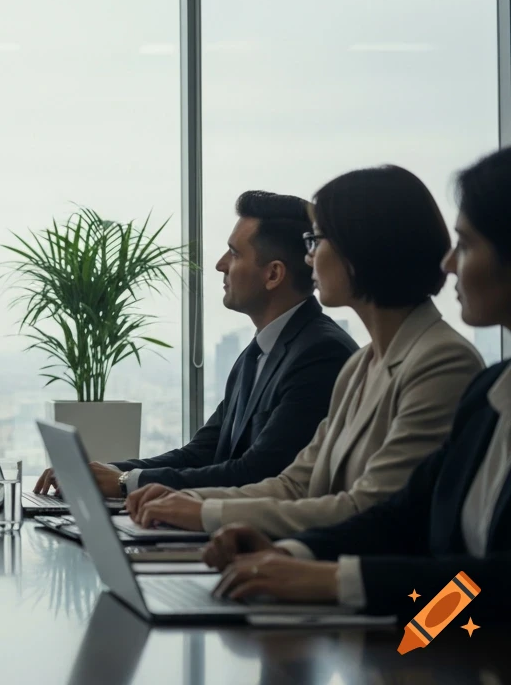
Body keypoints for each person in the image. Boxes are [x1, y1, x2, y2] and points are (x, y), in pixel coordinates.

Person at [203, 147, 511, 620]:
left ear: (361, 249)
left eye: (466, 245)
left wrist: (333, 581)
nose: (449, 263)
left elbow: (486, 580)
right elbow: (406, 521)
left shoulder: (446, 363)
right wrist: (293, 556)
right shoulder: (490, 390)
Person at [129, 166, 483, 538]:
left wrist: (203, 513)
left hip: (409, 593)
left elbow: (368, 508)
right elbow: (295, 485)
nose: (309, 258)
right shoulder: (361, 365)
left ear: (360, 250)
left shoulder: (441, 361)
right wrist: (188, 502)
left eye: (317, 242)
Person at [35, 191, 356, 497]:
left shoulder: (320, 355)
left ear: (273, 274)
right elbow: (203, 453)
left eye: (234, 253)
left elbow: (258, 473)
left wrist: (124, 482)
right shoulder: (258, 353)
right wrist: (107, 471)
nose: (220, 264)